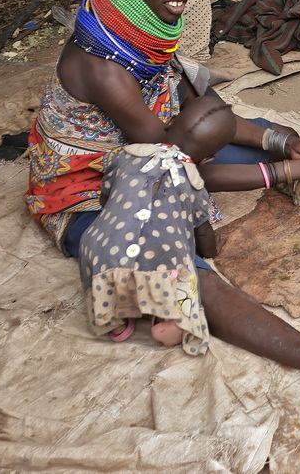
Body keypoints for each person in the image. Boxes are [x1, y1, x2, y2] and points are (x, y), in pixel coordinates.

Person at [24, 0, 300, 443]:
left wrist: (286, 142)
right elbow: (174, 170)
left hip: (153, 152)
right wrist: (293, 170)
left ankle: (283, 157)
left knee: (252, 129)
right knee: (187, 272)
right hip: (85, 193)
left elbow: (198, 120)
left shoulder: (139, 20)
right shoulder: (105, 64)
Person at [79, 94, 235, 351]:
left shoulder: (125, 156)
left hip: (101, 249)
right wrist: (211, 252)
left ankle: (116, 321)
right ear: (209, 158)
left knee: (104, 250)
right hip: (161, 260)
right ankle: (167, 320)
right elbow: (202, 232)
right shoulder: (195, 186)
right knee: (181, 272)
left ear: (169, 122)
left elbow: (106, 195)